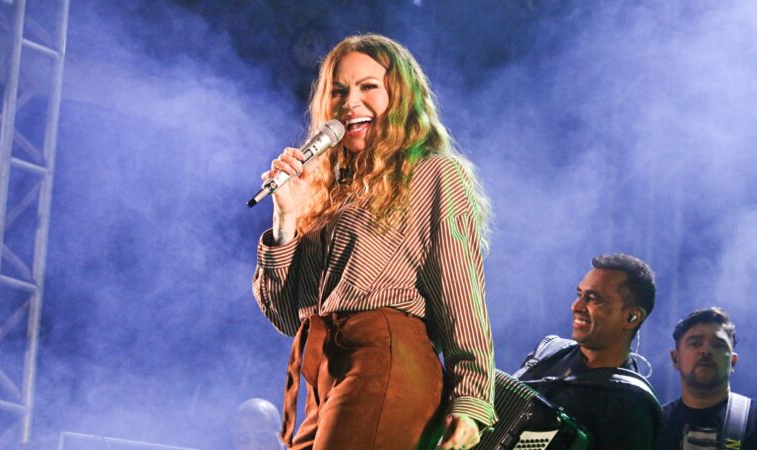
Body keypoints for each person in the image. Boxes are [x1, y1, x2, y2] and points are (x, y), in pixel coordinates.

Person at [251, 34, 495, 450]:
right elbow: (286, 317)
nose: (350, 103)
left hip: (386, 358)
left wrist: (471, 397)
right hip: (324, 374)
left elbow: (460, 289)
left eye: (368, 87)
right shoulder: (322, 191)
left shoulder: (432, 173)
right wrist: (286, 217)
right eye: (339, 91)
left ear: (398, 96)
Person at [512, 253, 661, 450]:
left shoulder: (631, 404)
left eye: (593, 299)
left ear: (631, 317)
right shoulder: (549, 350)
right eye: (579, 295)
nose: (576, 306)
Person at [654, 307, 757, 449]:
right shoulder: (654, 425)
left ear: (732, 362)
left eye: (718, 345)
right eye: (695, 343)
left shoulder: (753, 421)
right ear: (675, 358)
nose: (706, 351)